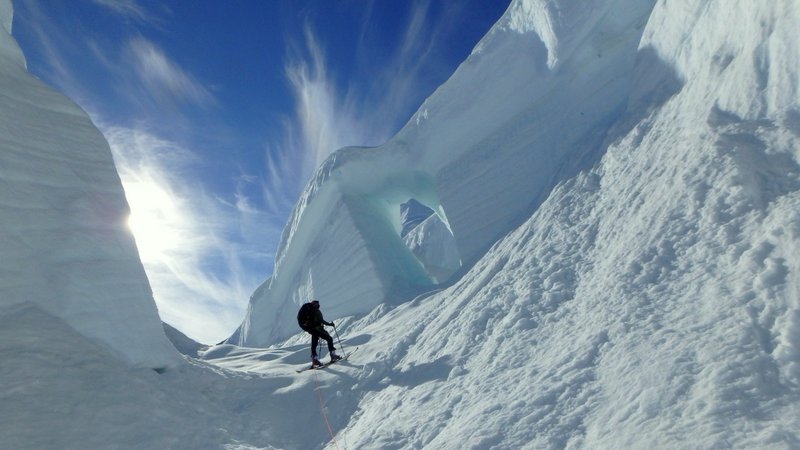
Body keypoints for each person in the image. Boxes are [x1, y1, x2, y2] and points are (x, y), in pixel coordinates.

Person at [297, 299, 341, 367]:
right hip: (316, 329)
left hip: (311, 329)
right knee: (329, 339)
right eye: (317, 305)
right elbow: (321, 321)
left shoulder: (310, 310)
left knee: (314, 343)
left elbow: (319, 321)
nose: (317, 306)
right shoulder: (315, 311)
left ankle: (314, 360)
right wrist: (330, 324)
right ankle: (333, 355)